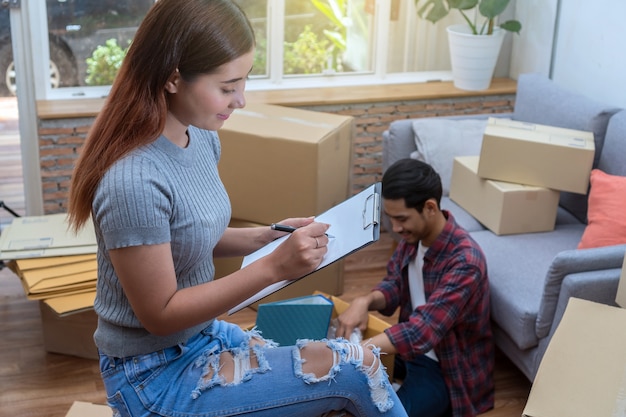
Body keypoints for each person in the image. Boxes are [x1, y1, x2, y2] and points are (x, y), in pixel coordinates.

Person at [67, 1, 408, 416]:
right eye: (228, 87)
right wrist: (273, 267)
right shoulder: (132, 181)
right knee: (360, 368)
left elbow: (188, 235)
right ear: (174, 78)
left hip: (201, 336)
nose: (241, 100)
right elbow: (159, 314)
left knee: (342, 368)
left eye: (243, 83)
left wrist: (266, 236)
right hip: (154, 375)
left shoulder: (200, 136)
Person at [335, 158, 495, 417]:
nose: (396, 229)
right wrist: (363, 302)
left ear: (430, 207)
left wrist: (354, 353)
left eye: (401, 219)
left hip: (445, 366)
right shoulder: (414, 239)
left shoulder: (465, 262)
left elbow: (423, 330)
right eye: (390, 218)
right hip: (408, 353)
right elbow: (394, 285)